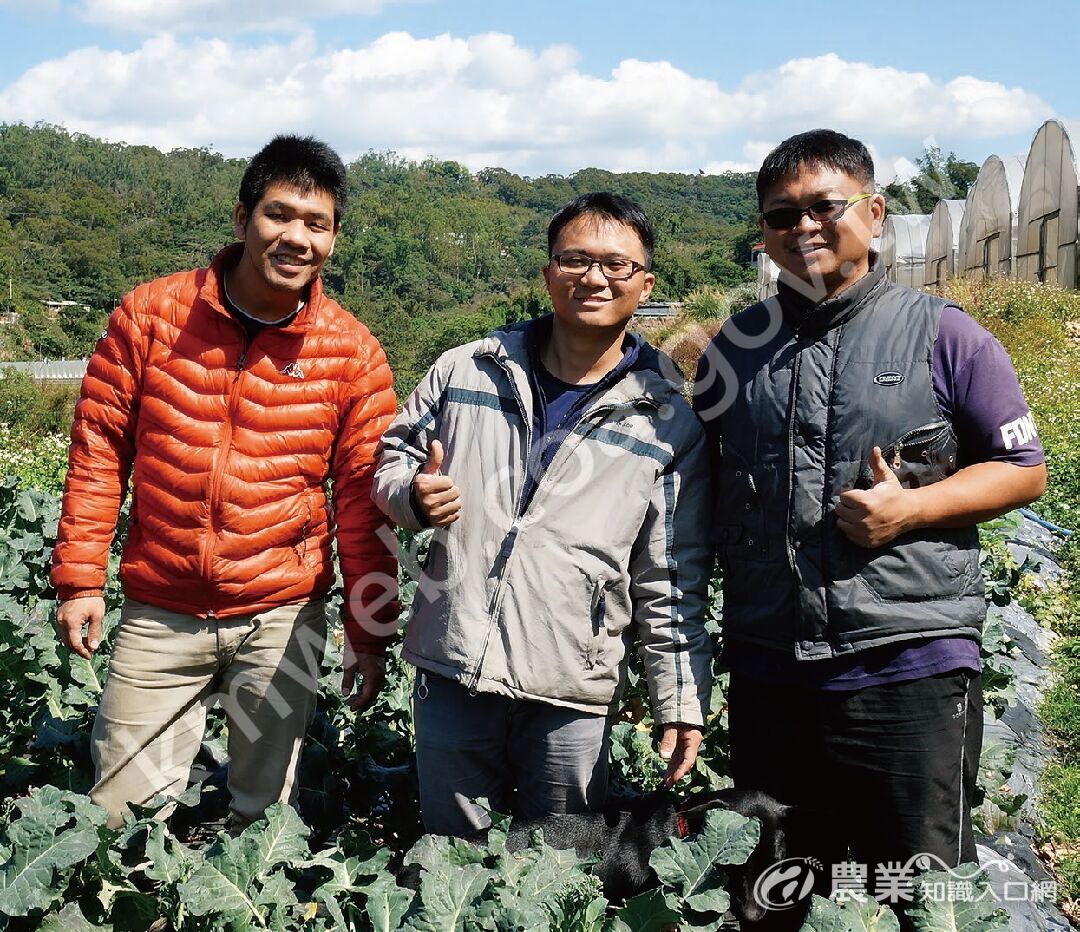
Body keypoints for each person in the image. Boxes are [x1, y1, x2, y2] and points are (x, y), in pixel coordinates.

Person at [693, 129, 1046, 917]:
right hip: (770, 670)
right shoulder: (731, 352)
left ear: (874, 213)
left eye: (825, 206)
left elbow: (1024, 468)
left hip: (906, 666)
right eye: (781, 216)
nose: (804, 228)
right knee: (775, 896)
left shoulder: (944, 333)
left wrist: (913, 508)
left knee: (923, 894)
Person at [51, 135, 399, 828]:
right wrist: (81, 580)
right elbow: (98, 452)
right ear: (242, 220)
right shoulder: (150, 318)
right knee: (118, 817)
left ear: (333, 239)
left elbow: (361, 501)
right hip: (162, 606)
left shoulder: (352, 352)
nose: (296, 237)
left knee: (262, 817)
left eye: (317, 223)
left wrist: (368, 633)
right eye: (280, 215)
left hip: (282, 616)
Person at [372, 193, 713, 835]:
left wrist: (679, 699)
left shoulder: (667, 421)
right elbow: (392, 456)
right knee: (451, 862)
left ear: (645, 283)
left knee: (561, 873)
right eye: (575, 259)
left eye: (615, 264)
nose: (594, 277)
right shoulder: (467, 369)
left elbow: (671, 577)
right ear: (548, 272)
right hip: (453, 664)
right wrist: (411, 496)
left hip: (570, 686)